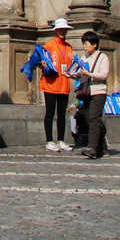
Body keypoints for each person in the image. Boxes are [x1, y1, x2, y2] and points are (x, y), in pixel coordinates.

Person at [40, 17, 75, 152]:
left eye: (64, 30)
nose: (62, 32)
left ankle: (61, 140)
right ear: (56, 30)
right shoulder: (49, 45)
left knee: (62, 114)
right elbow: (40, 61)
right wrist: (42, 64)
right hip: (50, 84)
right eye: (60, 29)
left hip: (63, 84)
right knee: (50, 112)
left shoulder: (69, 47)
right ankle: (49, 140)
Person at [75, 31, 109, 159]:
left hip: (99, 91)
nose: (84, 46)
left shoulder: (102, 57)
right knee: (90, 118)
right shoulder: (85, 57)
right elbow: (79, 72)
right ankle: (102, 146)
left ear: (94, 44)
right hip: (88, 92)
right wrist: (71, 75)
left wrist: (90, 75)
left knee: (94, 118)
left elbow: (104, 75)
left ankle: (93, 148)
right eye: (83, 44)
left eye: (86, 44)